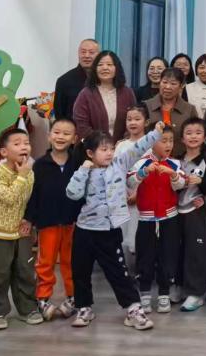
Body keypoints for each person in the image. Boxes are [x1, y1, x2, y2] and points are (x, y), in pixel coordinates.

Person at [66, 124, 162, 330]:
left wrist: (156, 133)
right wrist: (83, 170)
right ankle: (84, 307)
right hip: (84, 230)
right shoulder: (83, 171)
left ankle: (133, 308)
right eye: (104, 149)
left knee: (119, 271)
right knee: (80, 271)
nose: (109, 153)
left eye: (111, 148)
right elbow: (72, 194)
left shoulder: (119, 163)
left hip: (109, 231)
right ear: (90, 153)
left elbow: (137, 148)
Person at [24, 117, 82, 324]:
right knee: (45, 262)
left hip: (72, 222)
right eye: (57, 132)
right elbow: (34, 195)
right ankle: (42, 298)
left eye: (66, 133)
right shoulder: (40, 165)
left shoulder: (78, 164)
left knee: (70, 262)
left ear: (74, 139)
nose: (61, 137)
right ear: (49, 136)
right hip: (47, 222)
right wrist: (28, 219)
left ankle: (74, 297)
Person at [0, 127, 39, 329]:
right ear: (4, 152)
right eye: (17, 144)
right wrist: (22, 176)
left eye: (26, 143)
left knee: (25, 271)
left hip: (22, 233)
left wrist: (29, 221)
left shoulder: (30, 173)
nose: (24, 147)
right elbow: (9, 197)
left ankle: (27, 308)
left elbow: (30, 200)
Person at [128, 125, 184, 315]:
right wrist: (143, 172)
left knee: (168, 256)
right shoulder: (140, 162)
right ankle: (144, 293)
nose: (168, 145)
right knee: (145, 256)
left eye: (171, 140)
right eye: (163, 140)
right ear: (151, 142)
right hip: (146, 220)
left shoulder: (174, 163)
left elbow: (180, 185)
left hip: (169, 218)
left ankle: (164, 294)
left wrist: (173, 175)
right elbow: (130, 182)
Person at [175, 117, 206, 313]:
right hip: (175, 211)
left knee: (196, 252)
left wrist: (201, 184)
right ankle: (178, 286)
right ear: (182, 138)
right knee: (176, 250)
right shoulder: (176, 160)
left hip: (196, 212)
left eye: (198, 133)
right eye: (189, 133)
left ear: (205, 136)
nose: (193, 136)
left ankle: (196, 293)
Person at [72, 51, 137, 142]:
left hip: (123, 147)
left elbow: (134, 120)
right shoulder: (85, 94)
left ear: (117, 68)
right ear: (95, 69)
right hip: (93, 146)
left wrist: (123, 143)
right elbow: (81, 124)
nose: (105, 68)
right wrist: (101, 144)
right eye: (100, 65)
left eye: (109, 64)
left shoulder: (127, 93)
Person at [116, 105, 150, 269]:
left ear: (146, 122)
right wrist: (122, 192)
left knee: (139, 237)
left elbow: (152, 172)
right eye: (129, 119)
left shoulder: (151, 145)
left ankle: (141, 271)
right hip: (123, 198)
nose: (133, 122)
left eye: (137, 119)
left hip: (144, 198)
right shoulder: (121, 146)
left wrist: (138, 192)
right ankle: (125, 271)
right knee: (123, 237)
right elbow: (116, 171)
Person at [53, 38, 99, 121]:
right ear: (78, 54)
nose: (87, 56)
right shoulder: (64, 81)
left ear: (99, 55)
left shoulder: (104, 80)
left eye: (91, 52)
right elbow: (59, 115)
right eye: (83, 52)